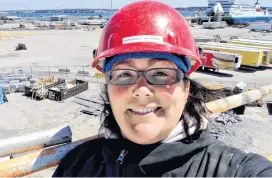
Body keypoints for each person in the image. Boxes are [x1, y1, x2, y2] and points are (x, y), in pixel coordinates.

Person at [53, 1, 272, 177]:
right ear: (108, 90)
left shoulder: (231, 170)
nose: (141, 90)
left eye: (160, 73)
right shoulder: (78, 166)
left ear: (186, 89)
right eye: (124, 74)